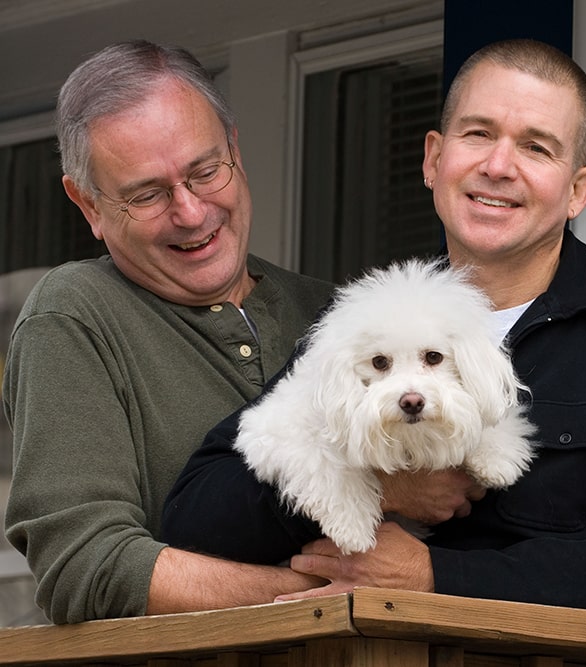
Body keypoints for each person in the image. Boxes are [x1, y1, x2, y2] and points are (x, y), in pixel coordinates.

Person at [163, 38, 586, 619]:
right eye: (478, 134)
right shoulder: (365, 324)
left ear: (578, 189)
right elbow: (197, 515)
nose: (499, 166)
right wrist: (382, 487)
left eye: (536, 147)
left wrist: (434, 576)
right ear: (434, 160)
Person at [1, 40, 346, 624]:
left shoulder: (334, 312)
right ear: (87, 204)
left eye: (205, 171)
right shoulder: (74, 315)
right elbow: (87, 564)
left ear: (234, 147)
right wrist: (317, 594)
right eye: (148, 194)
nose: (190, 212)